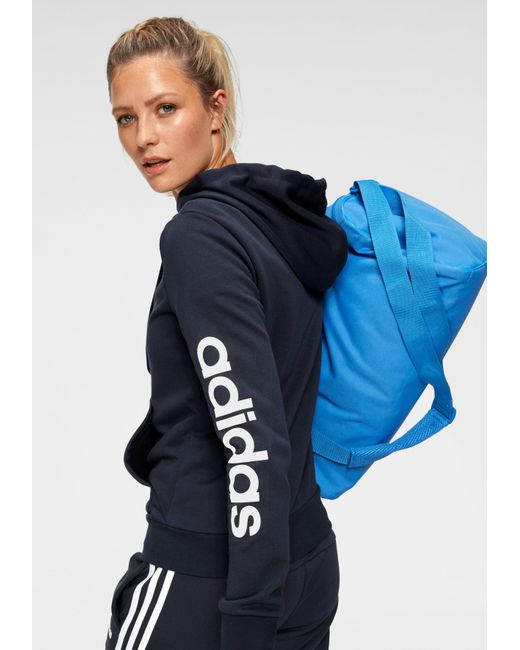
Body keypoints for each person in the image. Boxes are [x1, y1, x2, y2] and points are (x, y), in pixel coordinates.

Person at [104, 16, 347, 650]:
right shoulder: (275, 222)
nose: (144, 138)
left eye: (165, 108)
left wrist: (249, 609)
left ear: (216, 109)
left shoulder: (199, 236)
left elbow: (251, 435)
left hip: (214, 575)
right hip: (306, 555)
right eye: (126, 117)